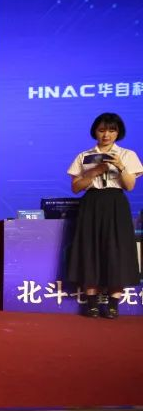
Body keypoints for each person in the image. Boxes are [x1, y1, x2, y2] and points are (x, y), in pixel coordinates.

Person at [66, 112, 141, 318]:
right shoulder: (84, 156)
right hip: (91, 202)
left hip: (116, 203)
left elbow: (129, 186)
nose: (106, 135)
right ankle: (91, 304)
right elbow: (75, 188)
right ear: (95, 132)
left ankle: (113, 305)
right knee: (90, 249)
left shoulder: (127, 154)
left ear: (118, 133)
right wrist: (93, 172)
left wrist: (120, 166)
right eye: (101, 130)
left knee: (117, 250)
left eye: (111, 130)